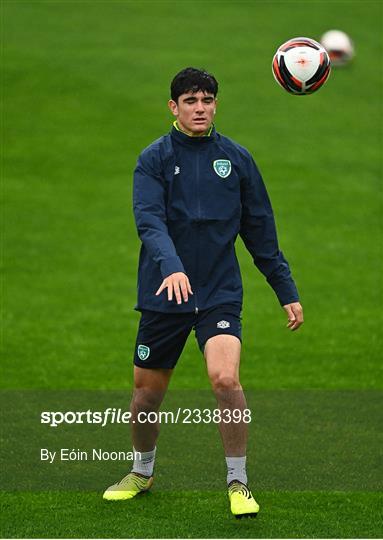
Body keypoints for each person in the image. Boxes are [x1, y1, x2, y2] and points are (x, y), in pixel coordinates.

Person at [103, 67, 303, 518]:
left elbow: (260, 232)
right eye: (191, 100)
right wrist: (171, 268)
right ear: (173, 107)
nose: (200, 108)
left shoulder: (236, 159)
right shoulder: (153, 159)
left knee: (226, 380)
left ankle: (238, 481)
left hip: (218, 291)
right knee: (147, 395)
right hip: (164, 294)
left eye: (207, 100)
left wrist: (284, 289)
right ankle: (141, 471)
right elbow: (149, 222)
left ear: (216, 105)